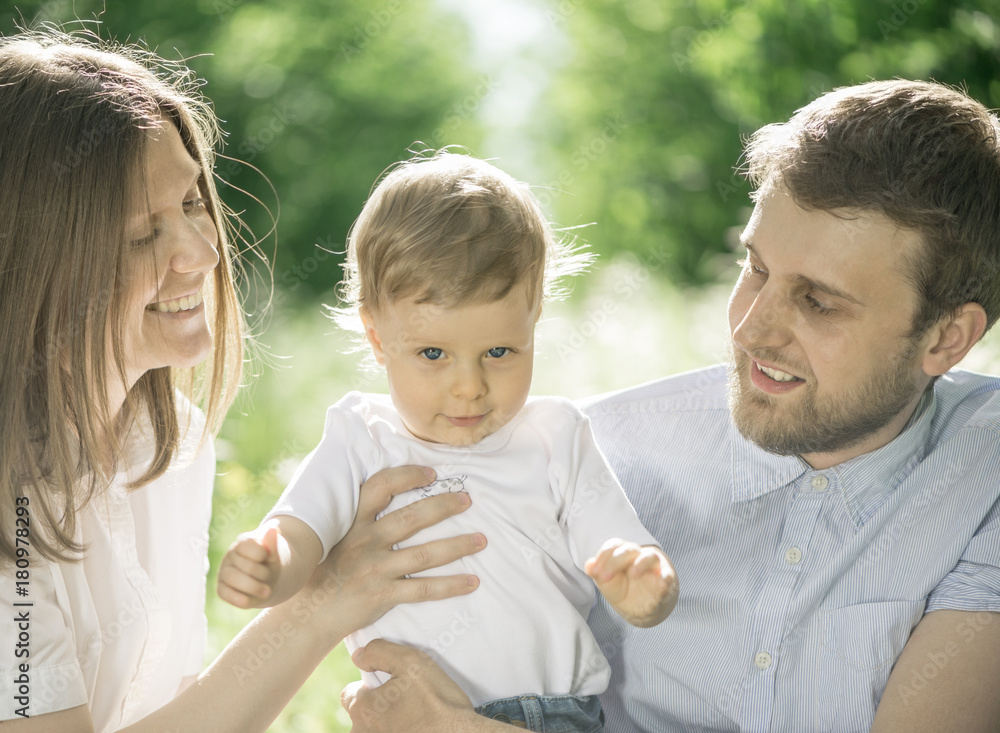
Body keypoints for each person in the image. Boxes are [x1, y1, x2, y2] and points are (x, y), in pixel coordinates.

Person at [339, 79, 1000, 733]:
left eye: (819, 302)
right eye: (756, 269)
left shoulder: (983, 473)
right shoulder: (591, 454)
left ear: (947, 338)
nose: (751, 329)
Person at [0, 29, 486, 732]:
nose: (202, 252)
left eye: (192, 203)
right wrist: (322, 603)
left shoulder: (169, 443)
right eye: (142, 235)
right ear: (32, 266)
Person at [217, 151, 679, 731]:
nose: (469, 387)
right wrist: (271, 565)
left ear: (534, 321)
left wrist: (643, 588)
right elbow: (300, 530)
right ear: (377, 338)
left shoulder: (556, 436)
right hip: (405, 716)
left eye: (499, 352)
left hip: (556, 717)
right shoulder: (362, 438)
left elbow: (617, 540)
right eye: (433, 353)